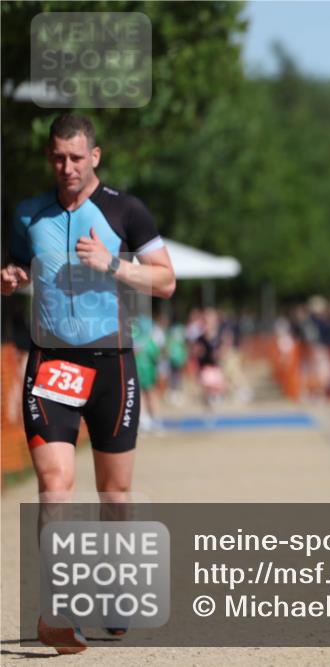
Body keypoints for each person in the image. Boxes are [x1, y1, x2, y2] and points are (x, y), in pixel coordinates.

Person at [1, 113, 175, 653]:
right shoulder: (28, 213)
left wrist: (113, 264)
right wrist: (10, 278)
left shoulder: (126, 210)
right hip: (52, 362)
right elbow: (14, 267)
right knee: (54, 482)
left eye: (77, 157)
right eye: (58, 157)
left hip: (113, 364)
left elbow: (166, 280)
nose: (67, 167)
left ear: (94, 156)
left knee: (114, 492)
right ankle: (56, 607)